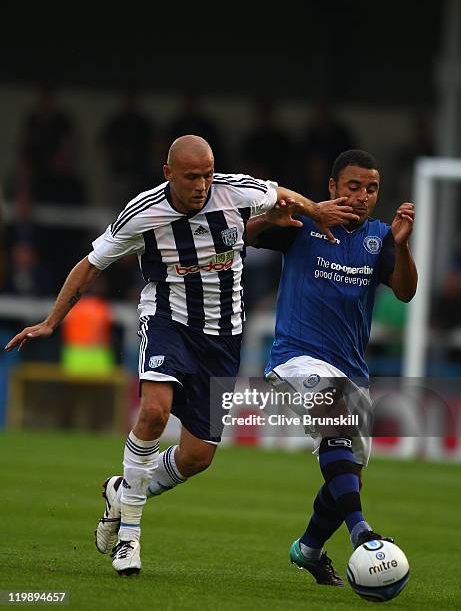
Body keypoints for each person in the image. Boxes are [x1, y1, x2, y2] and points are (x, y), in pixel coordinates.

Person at [4, 135, 359, 577]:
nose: (202, 184)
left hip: (224, 336)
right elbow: (91, 264)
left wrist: (315, 210)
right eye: (192, 176)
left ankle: (123, 490)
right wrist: (51, 321)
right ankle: (129, 538)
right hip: (168, 321)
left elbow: (280, 195)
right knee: (154, 413)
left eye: (208, 174)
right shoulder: (143, 212)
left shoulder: (235, 190)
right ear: (168, 173)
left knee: (197, 457)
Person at [246, 149, 417, 586]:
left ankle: (308, 549)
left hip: (351, 369)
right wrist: (273, 218)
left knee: (348, 473)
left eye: (371, 188)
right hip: (295, 357)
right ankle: (363, 534)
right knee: (336, 430)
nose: (362, 196)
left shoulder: (380, 237)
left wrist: (401, 245)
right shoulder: (307, 223)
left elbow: (405, 291)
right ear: (333, 188)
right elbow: (247, 234)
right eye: (354, 186)